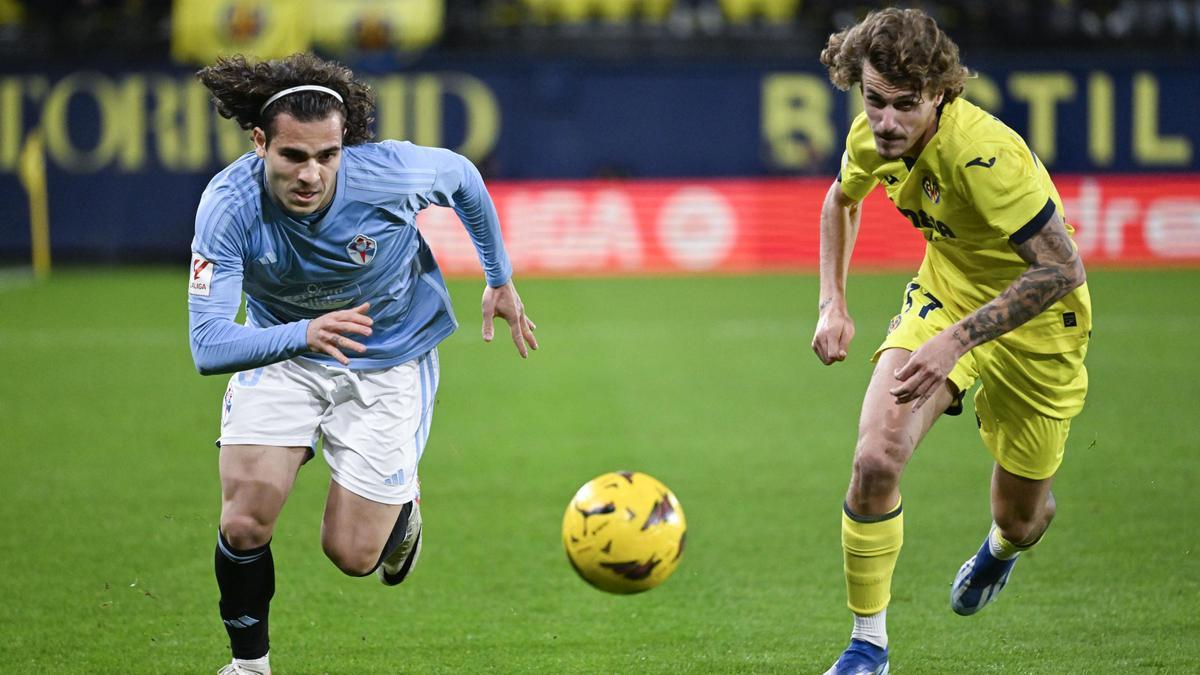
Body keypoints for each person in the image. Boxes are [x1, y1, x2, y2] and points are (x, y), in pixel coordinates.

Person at [188, 53, 537, 675]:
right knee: (243, 523)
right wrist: (304, 332)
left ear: (344, 141)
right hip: (287, 349)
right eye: (293, 156)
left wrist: (498, 278)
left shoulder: (389, 172)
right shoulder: (227, 205)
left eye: (328, 155)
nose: (312, 175)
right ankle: (249, 666)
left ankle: (403, 505)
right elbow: (209, 344)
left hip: (389, 356)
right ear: (260, 141)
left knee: (351, 555)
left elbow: (461, 177)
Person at [810, 8, 1091, 674]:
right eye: (874, 100)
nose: (886, 121)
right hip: (947, 298)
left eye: (906, 105)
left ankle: (1000, 548)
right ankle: (867, 645)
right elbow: (841, 200)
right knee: (875, 457)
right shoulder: (869, 137)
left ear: (940, 92)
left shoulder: (984, 156)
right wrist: (833, 303)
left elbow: (1060, 269)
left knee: (1023, 516)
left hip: (1041, 327)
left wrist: (958, 342)